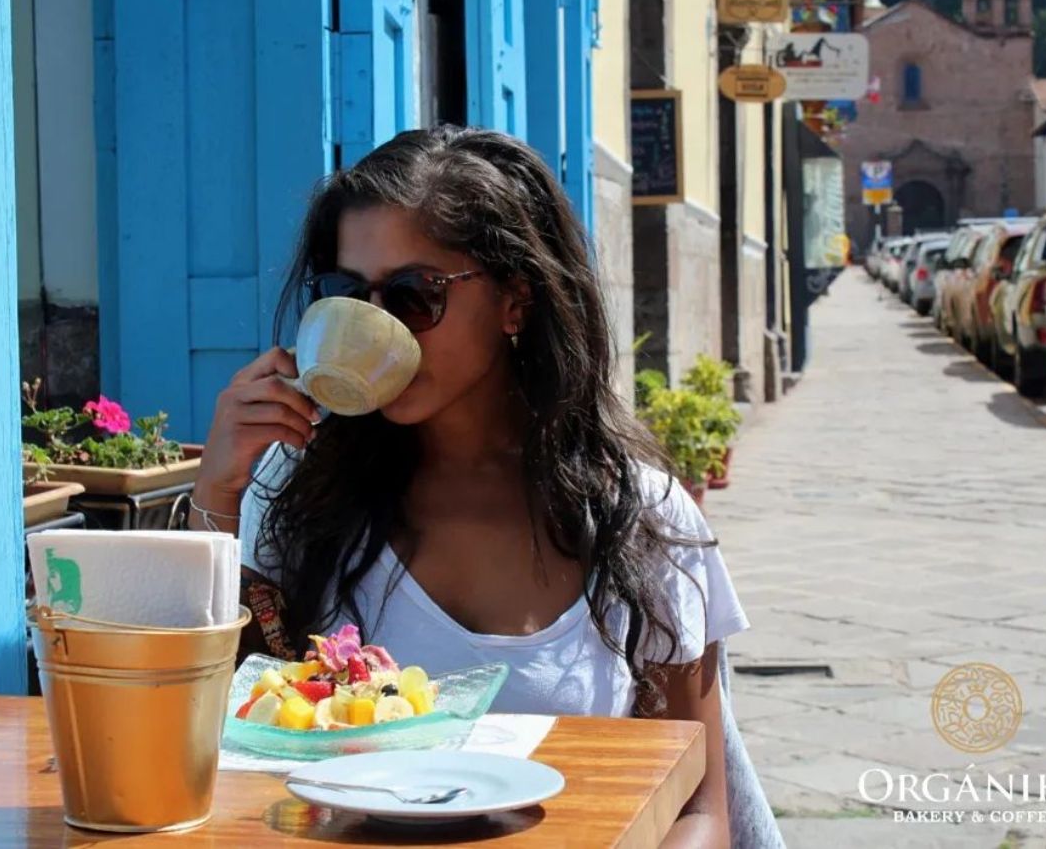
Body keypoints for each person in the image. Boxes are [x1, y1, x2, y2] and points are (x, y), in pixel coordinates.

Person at [190, 125, 772, 848]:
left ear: (515, 301)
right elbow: (205, 731)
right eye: (348, 294)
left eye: (413, 294)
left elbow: (698, 810)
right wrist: (218, 492)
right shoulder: (298, 492)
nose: (374, 327)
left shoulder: (633, 518)